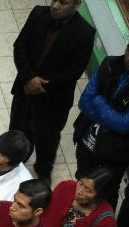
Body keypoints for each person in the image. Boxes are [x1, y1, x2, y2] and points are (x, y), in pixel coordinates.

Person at [72, 25, 129, 208]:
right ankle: (75, 222)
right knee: (81, 187)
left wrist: (99, 102)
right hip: (87, 141)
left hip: (113, 155)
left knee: (105, 197)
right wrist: (109, 120)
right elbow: (84, 102)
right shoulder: (109, 63)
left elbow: (124, 125)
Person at [8, 0, 95, 186]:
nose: (55, 5)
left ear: (77, 3)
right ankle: (14, 163)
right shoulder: (38, 13)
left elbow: (74, 71)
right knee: (17, 129)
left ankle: (43, 171)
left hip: (54, 100)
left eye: (63, 2)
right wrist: (29, 77)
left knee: (46, 139)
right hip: (25, 90)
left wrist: (40, 84)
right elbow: (20, 47)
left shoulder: (85, 32)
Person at [40, 167, 116, 227]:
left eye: (87, 190)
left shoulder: (106, 219)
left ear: (99, 196)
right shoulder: (66, 188)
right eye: (80, 183)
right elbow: (47, 219)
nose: (79, 191)